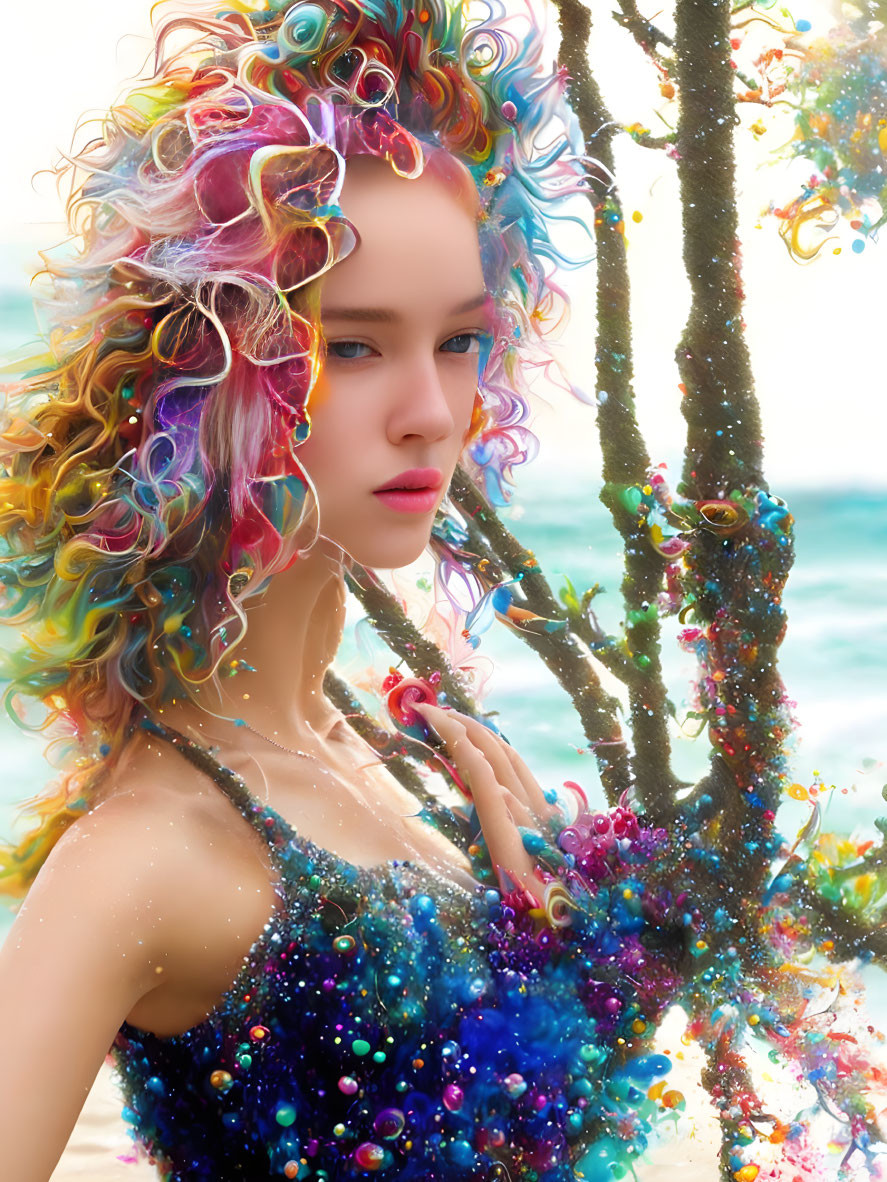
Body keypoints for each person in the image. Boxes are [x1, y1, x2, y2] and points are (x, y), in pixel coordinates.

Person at [0, 1, 682, 1179]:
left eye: (458, 341)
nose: (431, 409)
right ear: (217, 371)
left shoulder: (351, 751)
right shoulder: (145, 855)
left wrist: (557, 953)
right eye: (356, 346)